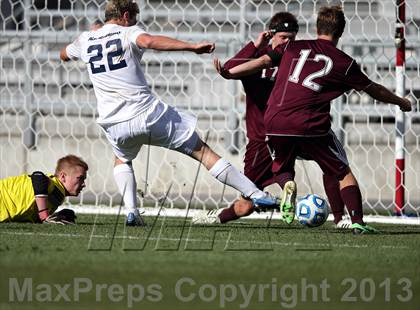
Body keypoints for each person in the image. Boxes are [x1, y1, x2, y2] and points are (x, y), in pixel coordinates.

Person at [59, 0, 279, 226]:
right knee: (203, 152)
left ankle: (132, 212)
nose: (136, 22)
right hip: (147, 114)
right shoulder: (128, 32)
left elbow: (63, 55)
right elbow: (150, 41)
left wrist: (91, 35)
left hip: (114, 123)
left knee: (122, 159)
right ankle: (256, 194)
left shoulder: (86, 39)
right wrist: (192, 47)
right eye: (134, 17)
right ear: (125, 16)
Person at [214, 5, 412, 234]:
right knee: (340, 170)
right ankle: (356, 221)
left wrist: (230, 73)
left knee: (282, 171)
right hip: (307, 126)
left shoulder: (292, 48)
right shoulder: (343, 61)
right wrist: (400, 102)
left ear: (316, 27)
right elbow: (374, 89)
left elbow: (261, 62)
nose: (286, 39)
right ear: (341, 32)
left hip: (275, 126)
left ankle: (323, 209)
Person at [194, 12, 347, 227]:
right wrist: (256, 45)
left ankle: (340, 218)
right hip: (271, 138)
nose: (288, 42)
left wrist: (255, 46)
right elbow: (229, 68)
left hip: (279, 135)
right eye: (284, 37)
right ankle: (219, 217)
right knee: (247, 203)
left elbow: (229, 68)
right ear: (271, 35)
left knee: (332, 167)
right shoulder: (260, 62)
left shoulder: (297, 59)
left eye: (292, 38)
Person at [0, 155, 88, 224]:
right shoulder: (55, 185)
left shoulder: (57, 193)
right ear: (63, 177)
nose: (84, 184)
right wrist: (44, 215)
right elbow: (38, 177)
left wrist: (55, 216)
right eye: (80, 178)